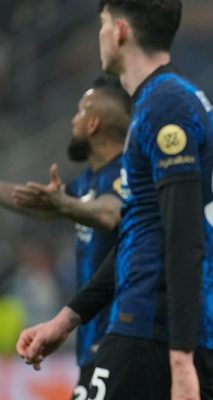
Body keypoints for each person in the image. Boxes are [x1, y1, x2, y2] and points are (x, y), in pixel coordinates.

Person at [16, 0, 213, 400]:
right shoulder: (169, 100)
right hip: (160, 330)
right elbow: (142, 232)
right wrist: (66, 321)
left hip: (153, 333)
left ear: (119, 30)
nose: (99, 36)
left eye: (101, 25)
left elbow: (183, 235)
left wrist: (180, 357)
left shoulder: (165, 105)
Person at [1, 75, 128, 398]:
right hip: (91, 344)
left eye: (79, 113)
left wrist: (66, 205)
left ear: (94, 123)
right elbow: (44, 206)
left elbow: (109, 212)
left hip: (119, 342)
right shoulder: (87, 180)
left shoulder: (125, 173)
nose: (72, 120)